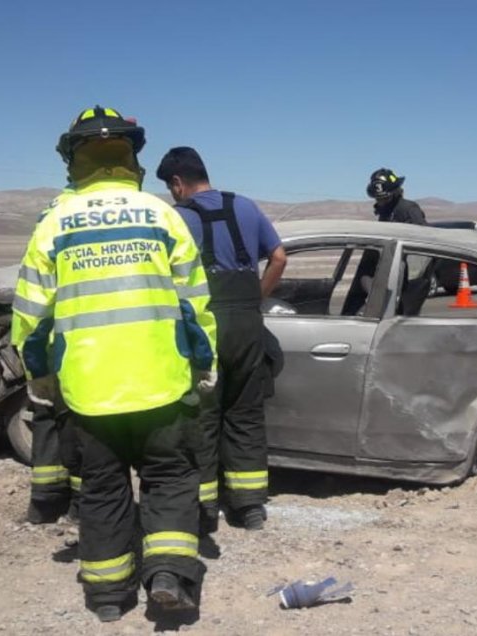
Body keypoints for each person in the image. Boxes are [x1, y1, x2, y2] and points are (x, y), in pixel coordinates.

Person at [12, 106, 218, 622]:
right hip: (163, 383)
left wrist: (39, 376)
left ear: (73, 158)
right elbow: (195, 303)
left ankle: (106, 594)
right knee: (169, 478)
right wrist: (203, 363)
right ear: (132, 156)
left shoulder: (54, 222)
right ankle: (167, 573)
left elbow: (32, 316)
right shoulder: (163, 215)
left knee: (102, 488)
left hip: (90, 389)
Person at [157, 147, 286, 533]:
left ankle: (205, 509)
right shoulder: (246, 206)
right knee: (246, 413)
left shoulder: (176, 218)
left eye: (170, 187)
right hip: (247, 324)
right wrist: (254, 299)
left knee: (203, 417)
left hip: (205, 326)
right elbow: (278, 257)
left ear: (178, 184)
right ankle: (249, 508)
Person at [25, 185, 83, 525]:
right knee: (79, 424)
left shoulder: (54, 208)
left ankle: (43, 503)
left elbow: (35, 284)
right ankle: (78, 504)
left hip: (48, 331)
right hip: (76, 337)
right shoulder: (84, 208)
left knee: (46, 416)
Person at [341, 168, 427, 315]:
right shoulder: (386, 213)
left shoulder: (408, 209)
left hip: (408, 275)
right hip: (388, 271)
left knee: (401, 317)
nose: (380, 202)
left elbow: (424, 240)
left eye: (384, 199)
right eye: (378, 199)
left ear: (396, 192)